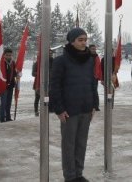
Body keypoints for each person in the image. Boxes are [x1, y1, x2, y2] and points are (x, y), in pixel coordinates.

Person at [49, 28, 98, 182]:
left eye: (85, 39)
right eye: (80, 40)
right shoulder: (60, 61)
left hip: (85, 108)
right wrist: (59, 109)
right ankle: (70, 177)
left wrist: (93, 105)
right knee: (69, 145)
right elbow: (54, 87)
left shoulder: (89, 60)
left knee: (81, 143)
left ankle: (78, 173)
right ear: (71, 41)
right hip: (69, 110)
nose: (84, 42)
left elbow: (92, 83)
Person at [32, 49, 54, 117]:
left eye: (51, 53)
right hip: (39, 83)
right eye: (49, 53)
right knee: (37, 98)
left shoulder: (53, 61)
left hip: (49, 83)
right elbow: (33, 73)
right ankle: (36, 111)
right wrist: (41, 74)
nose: (50, 55)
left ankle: (47, 109)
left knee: (47, 97)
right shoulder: (38, 62)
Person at [0, 48, 17, 122]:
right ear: (4, 55)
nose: (9, 56)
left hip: (11, 85)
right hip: (3, 86)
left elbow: (14, 73)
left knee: (9, 102)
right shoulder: (1, 62)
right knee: (3, 103)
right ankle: (2, 118)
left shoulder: (13, 63)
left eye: (10, 55)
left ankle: (8, 117)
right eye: (7, 55)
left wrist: (18, 73)